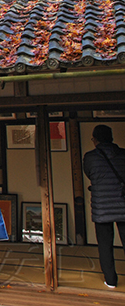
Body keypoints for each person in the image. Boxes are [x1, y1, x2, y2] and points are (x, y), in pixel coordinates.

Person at [83, 124, 125, 289]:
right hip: (123, 204)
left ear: (95, 139)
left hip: (102, 207)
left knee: (105, 245)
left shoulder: (90, 157)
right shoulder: (123, 155)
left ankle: (111, 280)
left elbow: (89, 174)